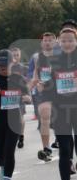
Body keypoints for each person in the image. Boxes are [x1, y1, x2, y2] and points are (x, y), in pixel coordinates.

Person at [38, 27, 77, 180]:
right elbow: (49, 85)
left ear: (75, 42)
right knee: (65, 150)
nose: (67, 43)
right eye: (64, 40)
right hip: (61, 110)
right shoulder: (54, 61)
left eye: (70, 40)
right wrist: (44, 96)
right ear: (59, 43)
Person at [0, 49, 29, 180]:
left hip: (14, 118)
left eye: (6, 63)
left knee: (9, 151)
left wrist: (25, 98)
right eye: (0, 64)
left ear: (13, 62)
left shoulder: (18, 78)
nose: (3, 67)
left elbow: (28, 96)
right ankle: (2, 166)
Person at [28, 32, 57, 162]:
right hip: (44, 91)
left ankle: (61, 141)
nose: (47, 42)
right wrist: (33, 85)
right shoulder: (37, 57)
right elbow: (35, 74)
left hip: (60, 91)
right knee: (44, 116)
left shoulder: (62, 56)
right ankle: (46, 149)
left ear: (55, 42)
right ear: (41, 43)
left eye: (50, 40)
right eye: (45, 40)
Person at [9, 46, 27, 149]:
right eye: (13, 55)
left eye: (17, 55)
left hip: (19, 96)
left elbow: (29, 80)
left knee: (20, 117)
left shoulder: (23, 68)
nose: (15, 57)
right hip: (8, 96)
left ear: (20, 56)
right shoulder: (6, 67)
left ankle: (21, 136)